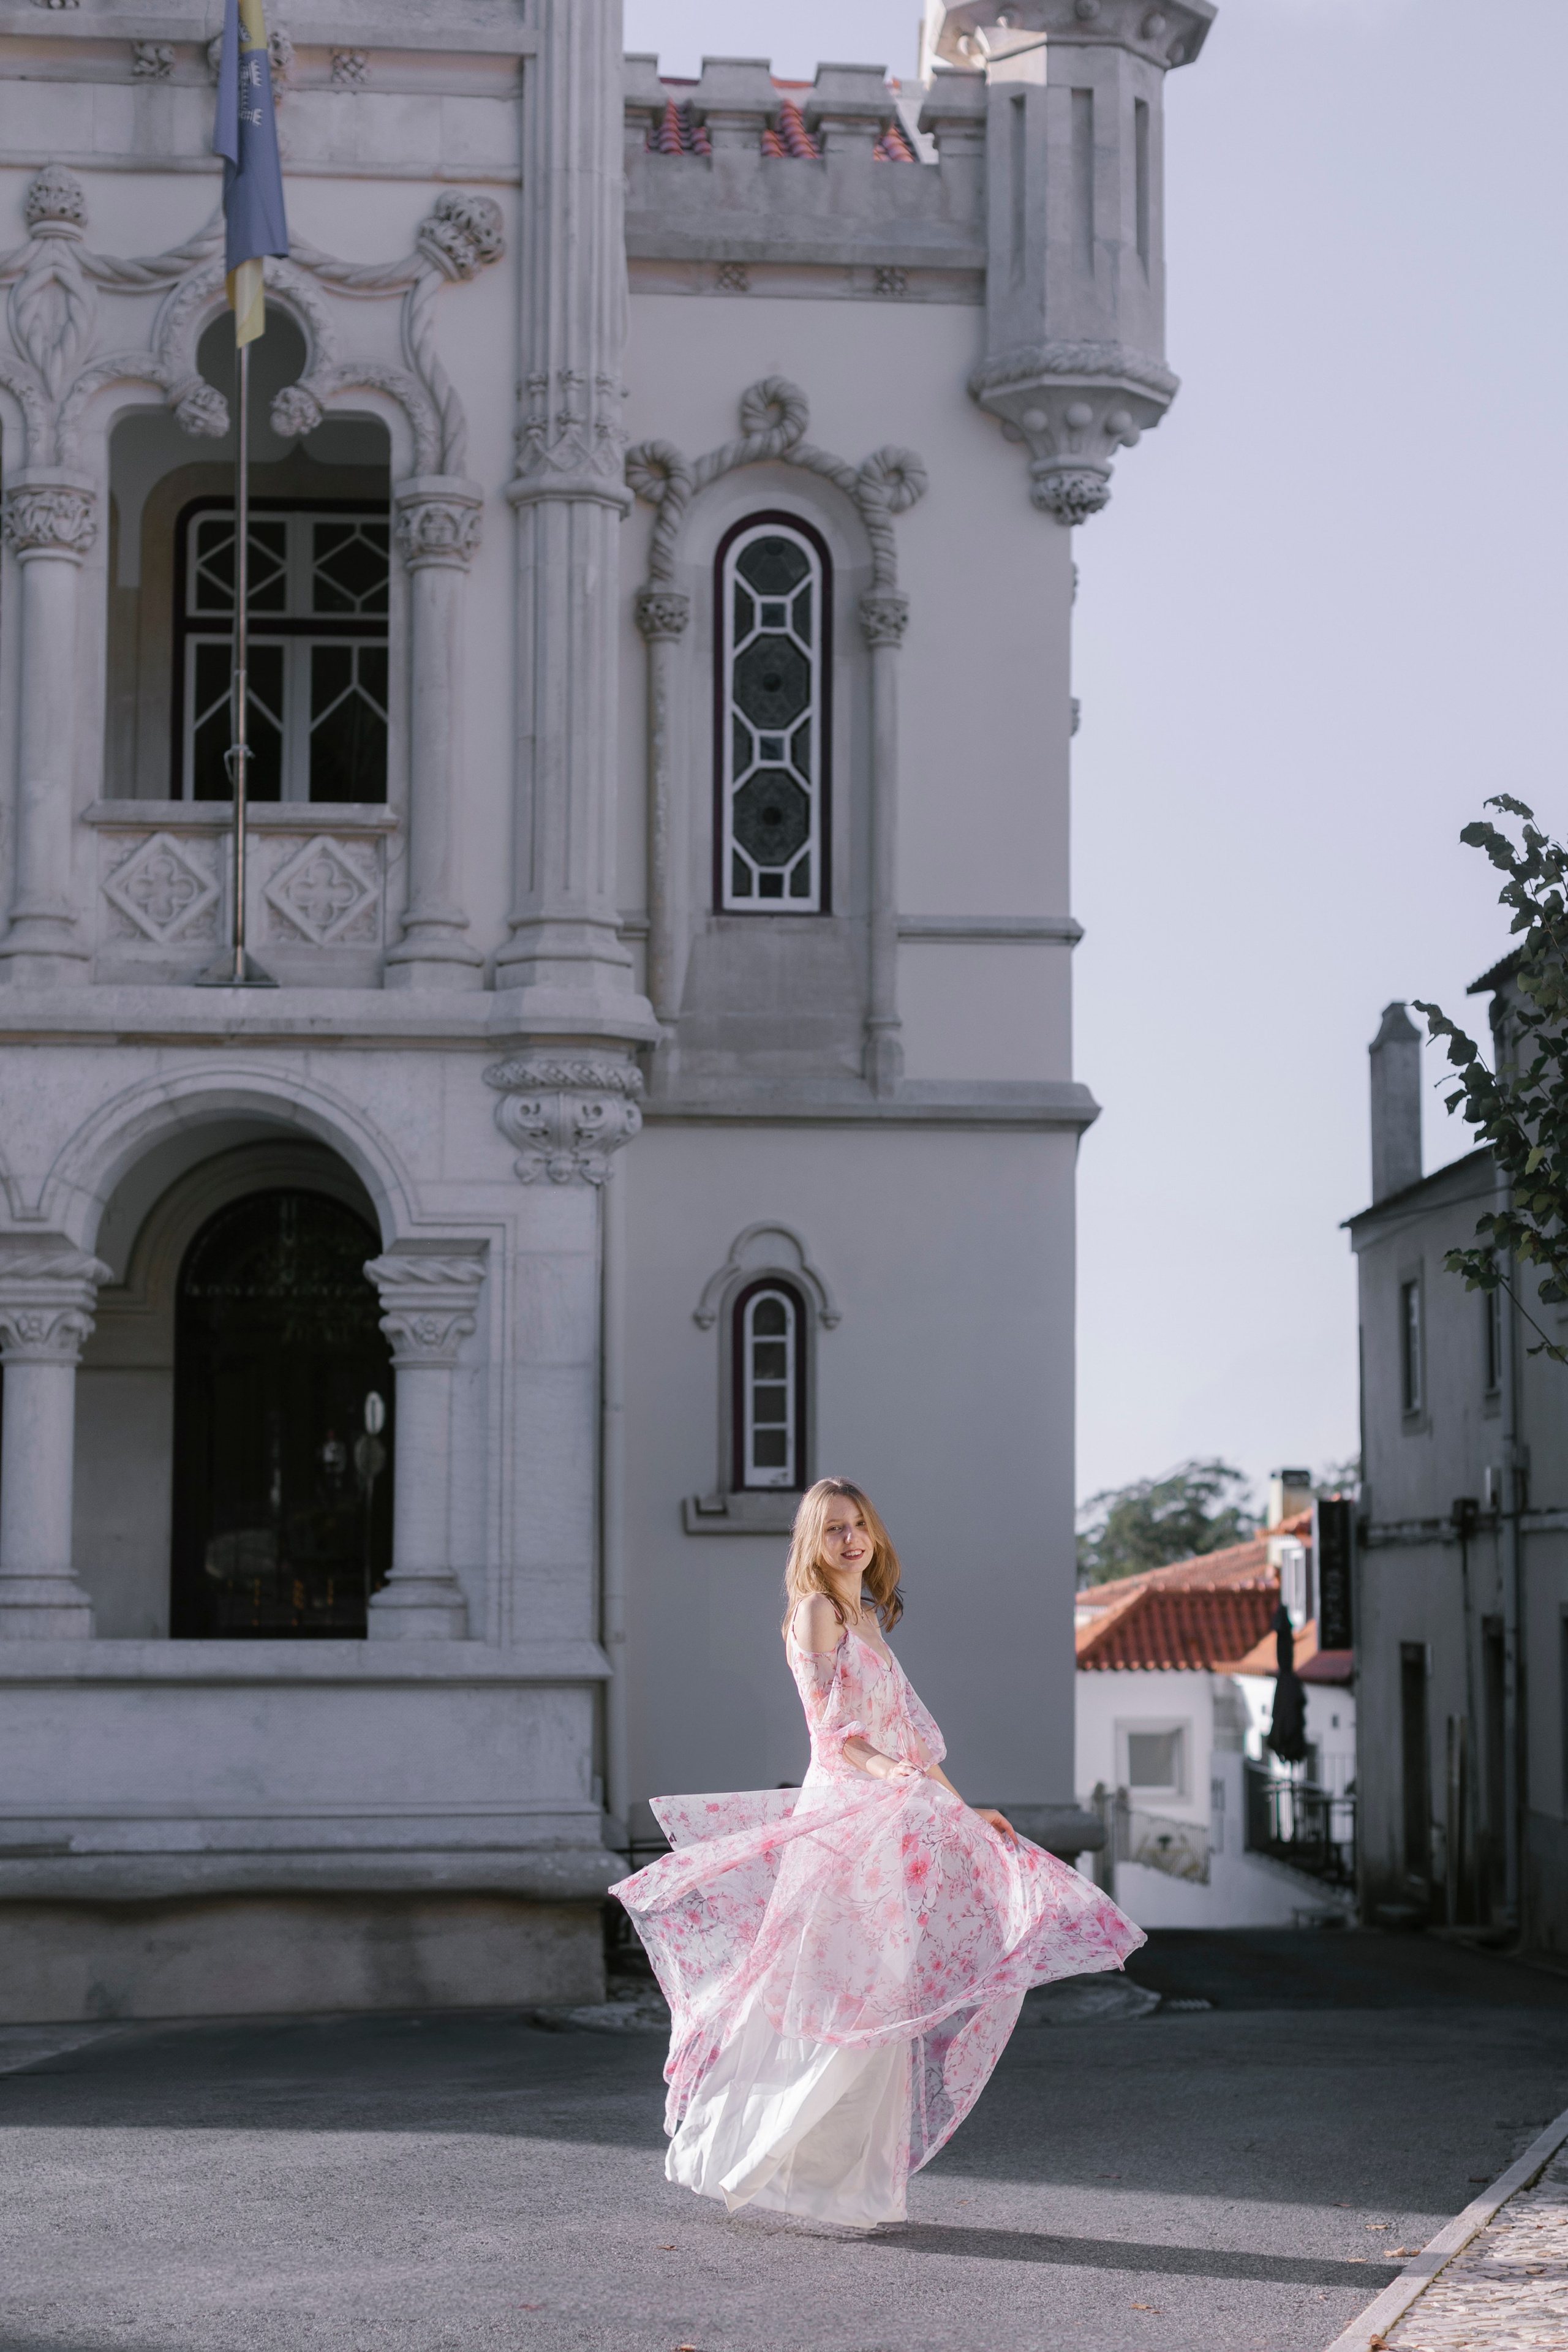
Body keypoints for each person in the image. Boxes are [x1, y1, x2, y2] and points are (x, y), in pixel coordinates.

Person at [610, 1476, 1145, 2230]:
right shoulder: (817, 1612)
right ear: (812, 1541)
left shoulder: (864, 1616)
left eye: (859, 1524)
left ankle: (855, 2188)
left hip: (890, 1817)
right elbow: (835, 1735)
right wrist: (888, 1772)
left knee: (887, 1994)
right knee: (838, 1991)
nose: (850, 1539)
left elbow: (911, 1740)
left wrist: (962, 1810)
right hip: (843, 1819)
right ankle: (745, 2154)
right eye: (833, 1527)